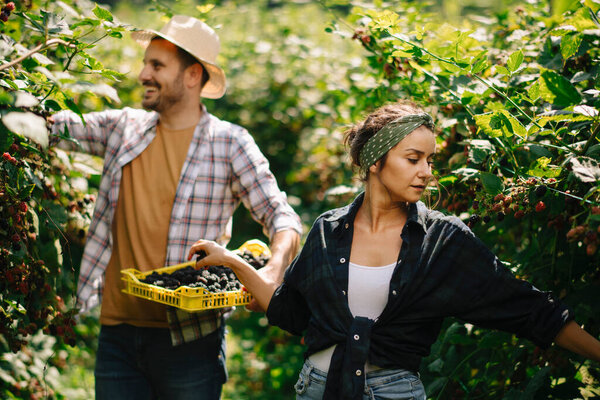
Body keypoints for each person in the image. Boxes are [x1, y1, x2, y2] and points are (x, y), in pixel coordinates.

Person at [188, 101, 600, 400]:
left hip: (394, 392)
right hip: (316, 388)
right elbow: (287, 311)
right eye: (413, 158)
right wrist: (231, 261)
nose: (427, 171)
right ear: (374, 162)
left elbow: (529, 310)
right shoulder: (329, 230)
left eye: (430, 160)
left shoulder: (443, 240)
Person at [51, 15, 302, 400]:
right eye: (145, 63)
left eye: (157, 65)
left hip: (190, 342)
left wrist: (273, 267)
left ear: (191, 76)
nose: (142, 74)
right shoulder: (124, 128)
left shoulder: (229, 143)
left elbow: (281, 216)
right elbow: (54, 126)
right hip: (118, 333)